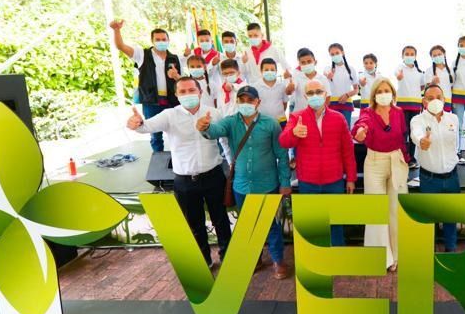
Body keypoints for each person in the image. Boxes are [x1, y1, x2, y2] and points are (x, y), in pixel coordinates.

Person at [127, 76, 231, 265]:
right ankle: (204, 261)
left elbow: (224, 140)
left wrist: (232, 165)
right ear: (176, 95)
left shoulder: (214, 113)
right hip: (185, 181)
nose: (188, 94)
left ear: (200, 92)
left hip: (214, 176)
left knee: (221, 221)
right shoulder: (169, 115)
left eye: (192, 90)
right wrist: (135, 123)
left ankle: (228, 258)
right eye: (182, 91)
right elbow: (145, 127)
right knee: (195, 225)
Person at [198, 86, 292, 279]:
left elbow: (282, 155)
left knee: (269, 224)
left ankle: (278, 260)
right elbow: (216, 130)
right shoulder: (230, 122)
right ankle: (255, 258)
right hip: (241, 186)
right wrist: (206, 127)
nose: (246, 104)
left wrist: (285, 182)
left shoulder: (271, 124)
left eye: (250, 100)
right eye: (242, 100)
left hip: (267, 184)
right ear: (237, 102)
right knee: (248, 224)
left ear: (258, 102)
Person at [279, 79, 357, 246]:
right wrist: (293, 132)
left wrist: (351, 177)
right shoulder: (296, 117)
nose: (315, 96)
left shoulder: (338, 118)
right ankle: (316, 258)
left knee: (336, 222)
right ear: (306, 96)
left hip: (334, 181)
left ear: (325, 94)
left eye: (318, 92)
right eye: (311, 93)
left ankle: (337, 256)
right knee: (313, 223)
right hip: (308, 182)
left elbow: (348, 150)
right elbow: (284, 142)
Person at [353, 77, 410, 271]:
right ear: (374, 95)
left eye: (387, 91)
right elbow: (361, 125)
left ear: (393, 94)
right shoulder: (367, 113)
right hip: (375, 163)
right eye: (380, 91)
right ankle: (380, 257)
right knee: (376, 210)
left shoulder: (399, 113)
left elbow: (403, 138)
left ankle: (398, 256)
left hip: (396, 160)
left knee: (396, 209)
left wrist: (406, 161)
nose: (383, 94)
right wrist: (360, 132)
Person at [110, 19, 181, 152]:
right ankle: (158, 160)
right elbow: (121, 46)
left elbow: (183, 81)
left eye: (164, 39)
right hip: (152, 101)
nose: (161, 42)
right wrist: (116, 30)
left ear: (168, 40)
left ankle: (177, 158)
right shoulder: (142, 54)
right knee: (155, 134)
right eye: (158, 39)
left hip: (172, 101)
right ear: (152, 41)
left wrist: (176, 76)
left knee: (176, 131)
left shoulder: (175, 58)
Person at [410, 84, 461, 252]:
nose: (435, 101)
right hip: (429, 179)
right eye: (430, 98)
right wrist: (421, 141)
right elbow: (415, 134)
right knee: (428, 218)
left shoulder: (453, 119)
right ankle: (428, 252)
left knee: (451, 217)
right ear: (424, 102)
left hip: (452, 177)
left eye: (438, 97)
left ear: (444, 99)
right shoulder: (418, 120)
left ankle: (451, 250)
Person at [394, 45, 424, 163]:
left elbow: (421, 86)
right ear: (402, 56)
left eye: (412, 54)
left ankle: (411, 157)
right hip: (402, 106)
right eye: (407, 54)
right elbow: (397, 75)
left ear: (415, 56)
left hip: (416, 105)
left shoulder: (419, 71)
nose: (409, 56)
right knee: (403, 132)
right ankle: (402, 155)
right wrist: (399, 76)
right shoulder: (399, 68)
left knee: (414, 131)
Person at [326, 43, 359, 127]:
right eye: (332, 54)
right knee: (333, 130)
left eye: (337, 53)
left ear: (343, 53)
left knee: (346, 130)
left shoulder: (351, 69)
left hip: (347, 104)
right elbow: (325, 77)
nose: (335, 55)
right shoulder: (327, 69)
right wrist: (328, 75)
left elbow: (356, 89)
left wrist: (347, 95)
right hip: (331, 104)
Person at [288, 48, 330, 113]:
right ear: (299, 64)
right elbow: (289, 92)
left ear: (315, 62)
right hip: (300, 114)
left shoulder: (323, 79)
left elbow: (327, 97)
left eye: (309, 61)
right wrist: (290, 87)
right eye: (303, 62)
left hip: (318, 115)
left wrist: (321, 112)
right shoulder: (296, 78)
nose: (306, 64)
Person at [257, 57, 293, 126]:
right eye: (266, 70)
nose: (269, 72)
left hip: (280, 120)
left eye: (272, 70)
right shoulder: (256, 86)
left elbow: (285, 103)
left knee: (281, 137)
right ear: (261, 71)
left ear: (276, 71)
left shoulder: (282, 85)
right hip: (263, 121)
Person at [424, 45, 454, 112]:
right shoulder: (429, 70)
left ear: (444, 54)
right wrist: (433, 83)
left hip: (447, 100)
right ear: (431, 57)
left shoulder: (451, 70)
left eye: (439, 54)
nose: (437, 57)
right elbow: (427, 88)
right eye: (434, 55)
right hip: (433, 101)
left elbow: (452, 87)